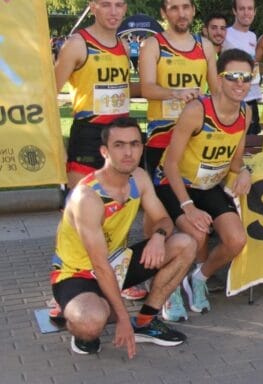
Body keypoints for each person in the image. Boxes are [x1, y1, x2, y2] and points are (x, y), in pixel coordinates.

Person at [50, 118, 195, 357]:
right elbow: (99, 265)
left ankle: (146, 321)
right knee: (91, 321)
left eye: (134, 144)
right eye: (119, 145)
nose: (128, 152)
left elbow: (163, 220)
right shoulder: (87, 197)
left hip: (116, 264)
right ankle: (77, 314)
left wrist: (158, 238)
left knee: (185, 244)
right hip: (77, 273)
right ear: (104, 151)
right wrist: (122, 319)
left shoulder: (138, 177)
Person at [153, 49, 253, 320]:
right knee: (196, 234)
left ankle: (198, 278)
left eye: (246, 77)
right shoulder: (197, 111)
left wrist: (245, 171)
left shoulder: (246, 112)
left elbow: (235, 164)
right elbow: (171, 164)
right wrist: (187, 207)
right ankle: (167, 288)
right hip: (173, 184)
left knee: (236, 240)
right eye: (232, 76)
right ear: (219, 80)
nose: (239, 83)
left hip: (208, 187)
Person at [54, 0, 132, 189]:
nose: (113, 11)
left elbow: (123, 89)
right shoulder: (76, 44)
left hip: (122, 132)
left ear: (125, 8)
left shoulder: (123, 46)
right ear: (93, 7)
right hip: (89, 133)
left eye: (118, 5)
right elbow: (48, 96)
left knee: (116, 204)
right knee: (79, 204)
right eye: (106, 5)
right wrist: (58, 146)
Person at [139, 0, 219, 178]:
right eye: (174, 8)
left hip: (195, 137)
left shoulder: (205, 46)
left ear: (193, 10)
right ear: (163, 13)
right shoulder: (153, 45)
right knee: (159, 203)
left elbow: (216, 92)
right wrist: (176, 93)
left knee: (193, 198)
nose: (181, 13)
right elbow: (147, 89)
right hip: (161, 137)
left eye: (185, 7)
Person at [223, 0, 263, 134]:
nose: (246, 13)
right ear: (234, 11)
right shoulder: (224, 34)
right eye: (242, 9)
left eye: (250, 8)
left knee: (251, 149)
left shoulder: (252, 36)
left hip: (251, 99)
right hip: (232, 101)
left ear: (255, 11)